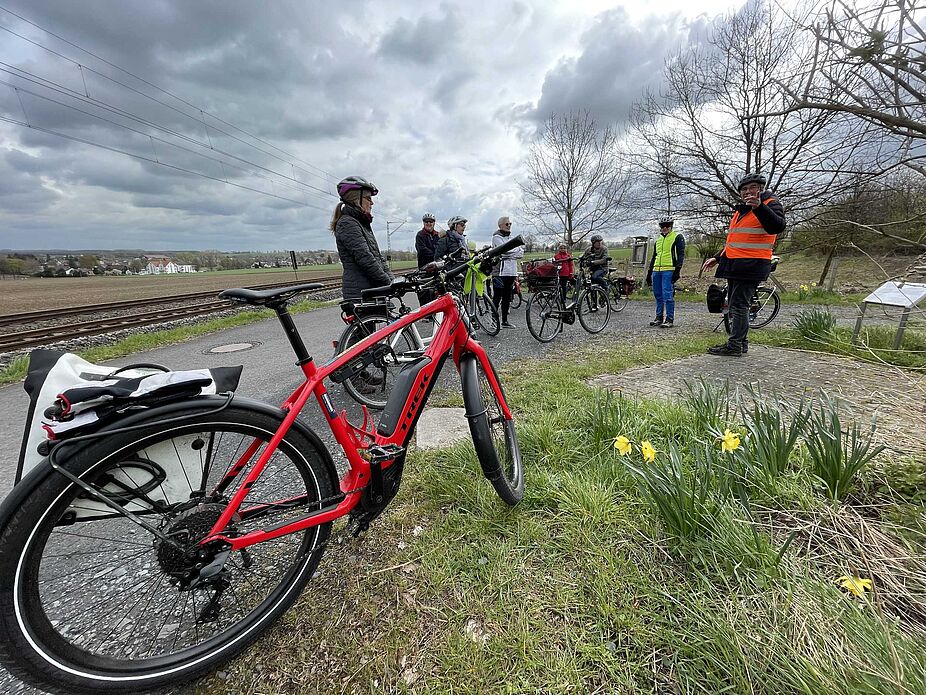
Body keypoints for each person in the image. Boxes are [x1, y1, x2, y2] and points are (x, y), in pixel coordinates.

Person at [702, 173, 785, 356]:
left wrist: (760, 207)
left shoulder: (770, 204)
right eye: (744, 189)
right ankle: (741, 343)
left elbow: (777, 226)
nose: (748, 192)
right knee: (735, 304)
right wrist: (717, 258)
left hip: (751, 264)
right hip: (736, 264)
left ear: (761, 189)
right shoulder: (742, 210)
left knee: (739, 305)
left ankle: (734, 346)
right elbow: (736, 240)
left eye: (752, 187)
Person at [330, 175, 393, 390]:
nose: (371, 203)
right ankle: (352, 377)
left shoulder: (360, 223)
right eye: (368, 198)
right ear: (355, 199)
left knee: (366, 335)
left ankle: (360, 372)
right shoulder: (348, 223)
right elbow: (364, 258)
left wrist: (389, 279)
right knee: (358, 337)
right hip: (359, 289)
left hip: (368, 288)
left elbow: (377, 256)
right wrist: (386, 282)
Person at [645, 216, 686, 328]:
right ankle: (659, 317)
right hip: (656, 270)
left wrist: (677, 270)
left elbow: (681, 255)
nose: (665, 228)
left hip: (669, 269)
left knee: (667, 295)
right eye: (662, 226)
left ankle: (669, 319)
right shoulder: (658, 240)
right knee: (658, 294)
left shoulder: (677, 237)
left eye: (667, 226)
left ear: (671, 226)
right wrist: (649, 273)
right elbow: (654, 256)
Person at [491, 216, 524, 329]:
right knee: (497, 297)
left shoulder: (511, 238)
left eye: (510, 224)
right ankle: (493, 321)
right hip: (500, 272)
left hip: (511, 272)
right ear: (500, 225)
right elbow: (505, 250)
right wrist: (515, 249)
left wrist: (512, 251)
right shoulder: (496, 237)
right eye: (506, 224)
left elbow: (521, 253)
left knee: (507, 297)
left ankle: (505, 321)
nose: (509, 225)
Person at [415, 212, 439, 305]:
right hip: (424, 269)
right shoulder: (420, 235)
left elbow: (441, 248)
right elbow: (422, 250)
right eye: (426, 221)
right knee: (424, 293)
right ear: (423, 223)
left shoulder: (437, 235)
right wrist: (436, 255)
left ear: (434, 223)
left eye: (431, 221)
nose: (429, 223)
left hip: (436, 269)